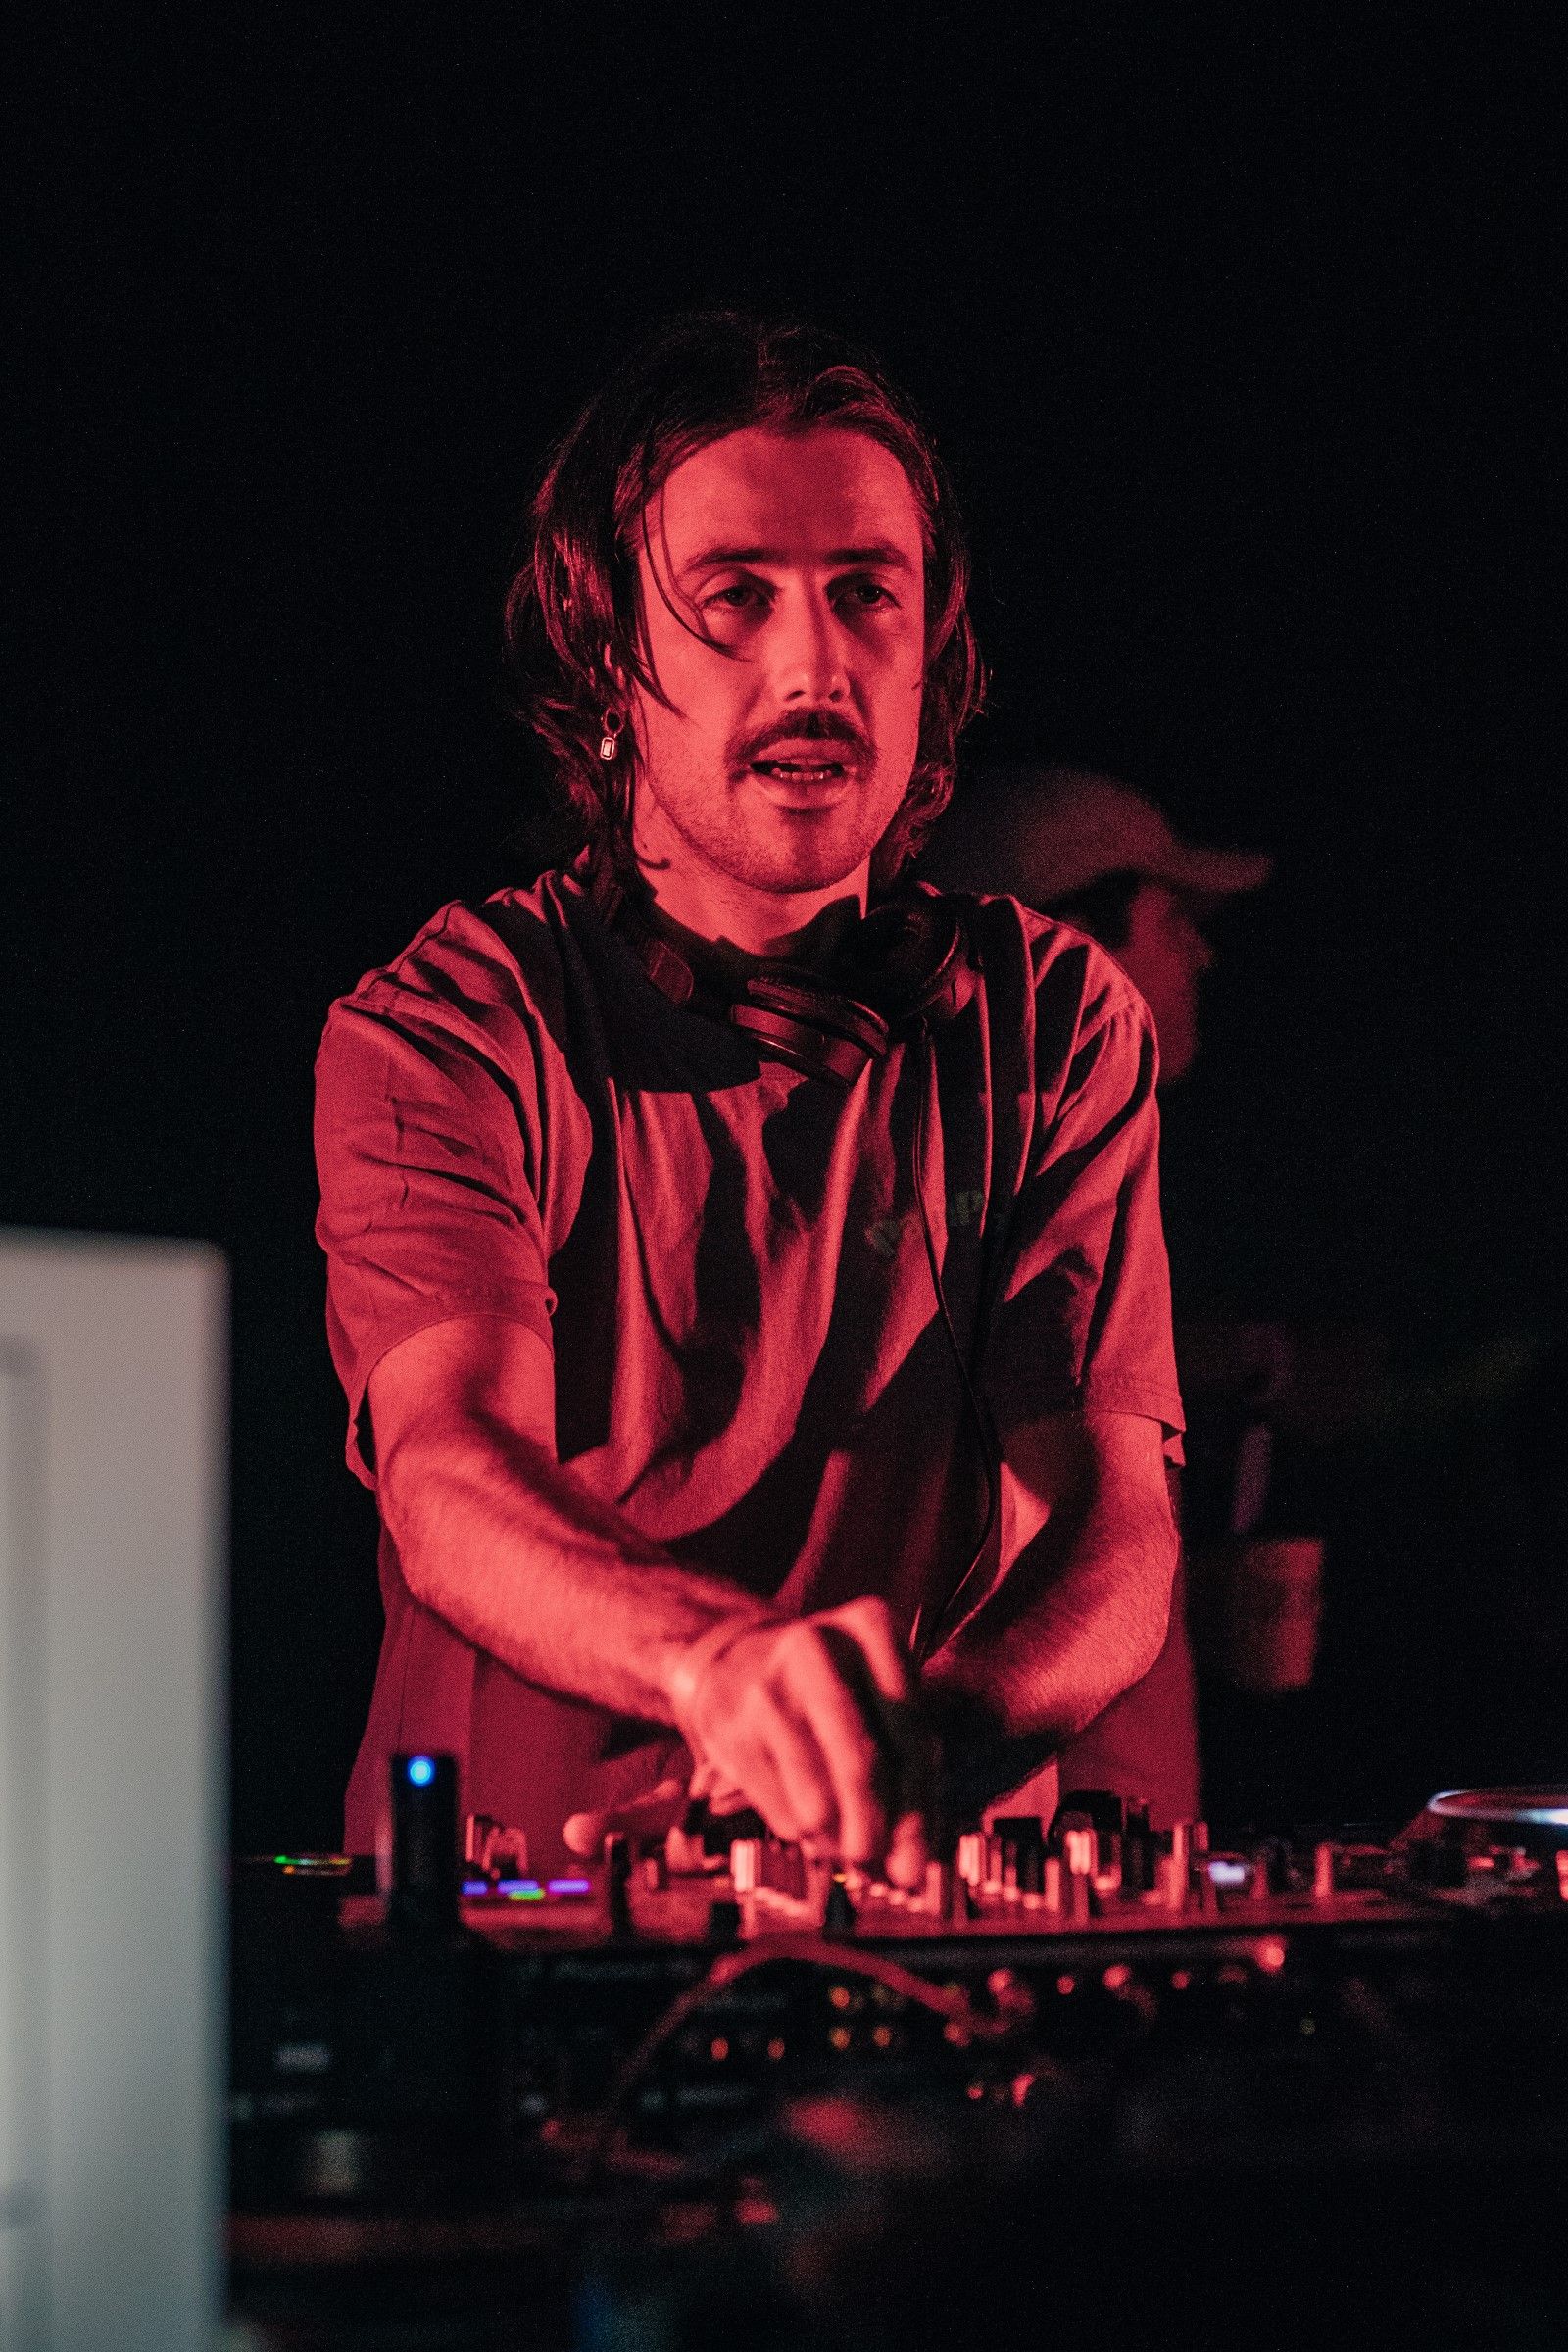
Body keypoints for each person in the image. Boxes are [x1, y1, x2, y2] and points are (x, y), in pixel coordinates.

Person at [314, 319, 1183, 1879]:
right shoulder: (450, 1024)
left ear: (933, 647)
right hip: (527, 1923)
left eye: (865, 593)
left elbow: (1113, 1533)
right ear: (605, 660)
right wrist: (719, 1669)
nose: (813, 667)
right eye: (736, 598)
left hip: (912, 1917)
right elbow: (448, 1472)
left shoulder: (1055, 1022)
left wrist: (906, 1752)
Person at [922, 766, 1273, 1821]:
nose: (1202, 953)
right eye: (1173, 919)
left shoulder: (1060, 1148)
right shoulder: (983, 1163)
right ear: (1070, 938)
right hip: (1043, 1805)